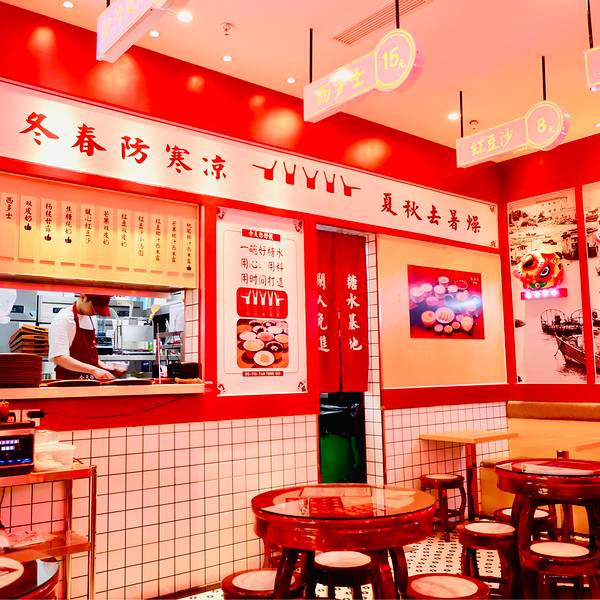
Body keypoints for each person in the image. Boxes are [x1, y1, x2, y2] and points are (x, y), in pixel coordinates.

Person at [48, 293, 126, 380]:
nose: (95, 312)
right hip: (69, 382)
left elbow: (91, 359)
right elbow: (60, 358)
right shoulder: (63, 319)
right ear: (83, 297)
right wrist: (94, 370)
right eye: (93, 307)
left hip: (90, 382)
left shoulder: (91, 318)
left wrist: (109, 369)